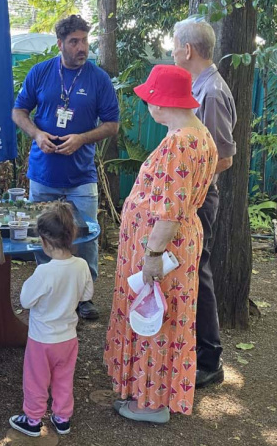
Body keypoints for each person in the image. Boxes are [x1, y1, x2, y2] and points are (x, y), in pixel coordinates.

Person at [104, 65, 217, 422]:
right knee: (164, 317)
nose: (147, 105)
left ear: (159, 103)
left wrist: (151, 256)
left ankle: (150, 403)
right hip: (176, 243)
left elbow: (169, 211)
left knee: (154, 318)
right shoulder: (200, 134)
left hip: (164, 248)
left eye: (149, 99)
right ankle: (151, 394)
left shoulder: (179, 143)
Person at [12, 14, 119, 320]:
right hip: (43, 173)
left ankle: (84, 296)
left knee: (84, 238)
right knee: (41, 234)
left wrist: (82, 138)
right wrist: (37, 134)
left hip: (81, 176)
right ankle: (48, 287)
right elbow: (19, 112)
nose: (81, 46)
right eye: (74, 41)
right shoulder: (41, 72)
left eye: (85, 40)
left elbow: (112, 124)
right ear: (60, 44)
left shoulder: (98, 79)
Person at [171, 18, 237, 388]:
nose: (172, 51)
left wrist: (190, 189)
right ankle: (196, 351)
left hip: (199, 196)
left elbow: (222, 156)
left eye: (174, 45)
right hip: (193, 194)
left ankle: (210, 359)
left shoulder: (210, 91)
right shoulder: (201, 85)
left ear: (188, 50)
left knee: (199, 271)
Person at [9, 202, 94, 437]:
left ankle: (33, 419)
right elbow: (87, 295)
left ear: (45, 242)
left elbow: (25, 300)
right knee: (64, 378)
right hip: (68, 338)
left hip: (41, 339)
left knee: (36, 380)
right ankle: (62, 417)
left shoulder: (44, 272)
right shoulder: (82, 266)